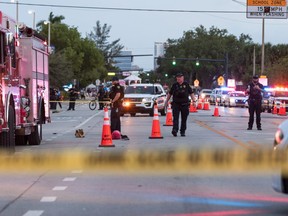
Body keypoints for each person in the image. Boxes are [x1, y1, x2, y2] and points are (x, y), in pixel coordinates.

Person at [165, 72, 196, 137]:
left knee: (184, 119)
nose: (178, 78)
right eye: (177, 77)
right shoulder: (174, 85)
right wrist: (166, 101)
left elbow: (191, 93)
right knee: (175, 118)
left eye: (180, 77)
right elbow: (170, 94)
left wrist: (194, 101)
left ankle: (182, 131)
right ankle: (175, 130)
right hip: (176, 104)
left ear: (183, 78)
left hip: (185, 104)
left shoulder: (186, 85)